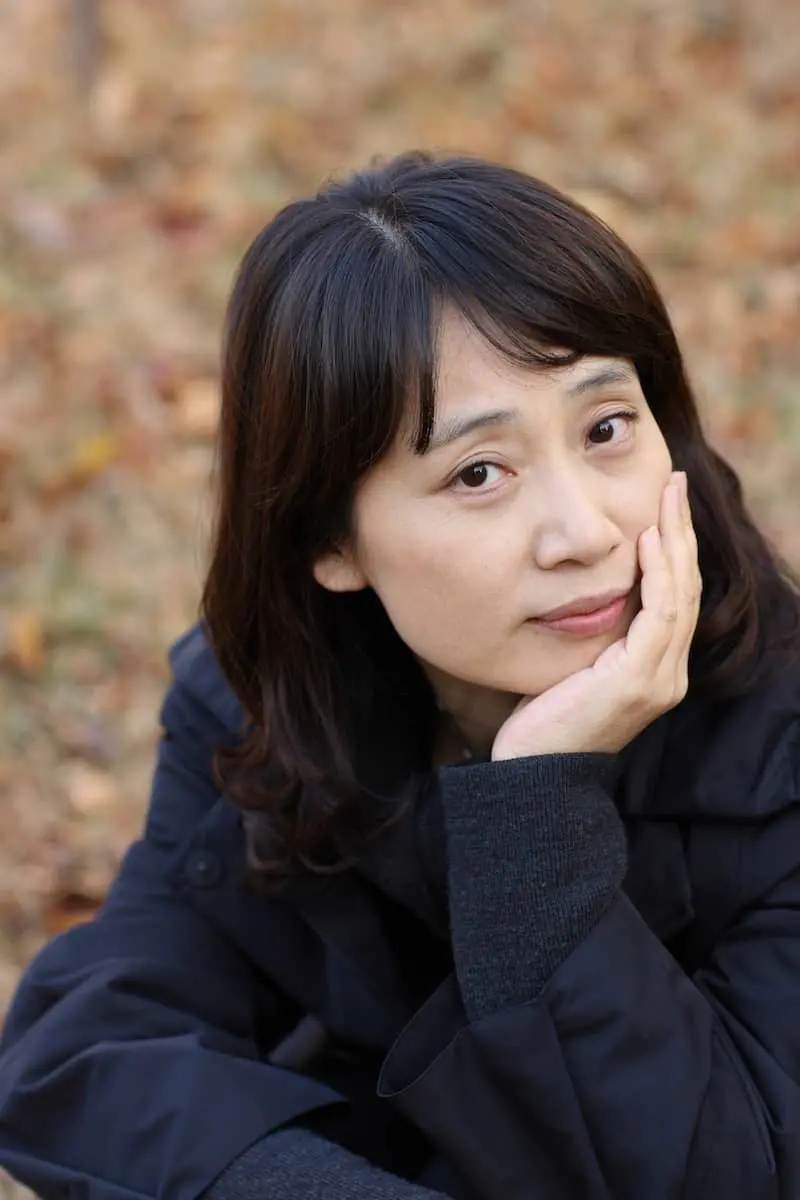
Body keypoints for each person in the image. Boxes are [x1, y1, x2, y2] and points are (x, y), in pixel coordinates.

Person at [1, 152, 800, 1200]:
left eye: (605, 429)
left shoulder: (776, 742)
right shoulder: (274, 710)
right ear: (328, 542)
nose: (582, 530)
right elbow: (90, 1054)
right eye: (478, 473)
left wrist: (537, 821)